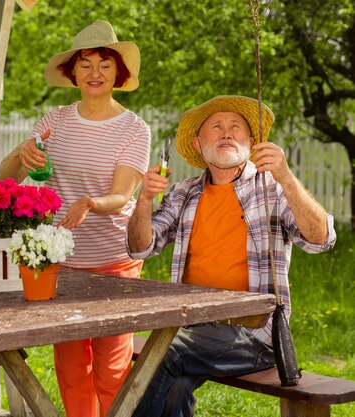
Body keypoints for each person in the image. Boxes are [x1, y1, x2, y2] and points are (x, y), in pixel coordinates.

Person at [126, 95, 337, 417]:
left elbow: (321, 240)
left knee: (161, 355)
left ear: (252, 142)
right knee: (175, 384)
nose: (227, 133)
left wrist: (286, 178)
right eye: (217, 127)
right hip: (192, 326)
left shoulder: (273, 190)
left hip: (254, 333)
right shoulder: (184, 193)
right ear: (198, 144)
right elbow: (141, 247)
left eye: (236, 127)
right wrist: (144, 199)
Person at [0, 20, 151, 417]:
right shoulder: (55, 122)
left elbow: (123, 196)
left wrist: (90, 203)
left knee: (113, 368)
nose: (95, 73)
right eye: (86, 64)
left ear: (119, 72)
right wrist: (22, 152)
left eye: (104, 64)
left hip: (115, 263)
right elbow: (6, 180)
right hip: (59, 263)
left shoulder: (134, 129)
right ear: (73, 73)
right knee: (71, 371)